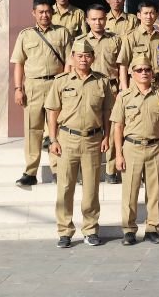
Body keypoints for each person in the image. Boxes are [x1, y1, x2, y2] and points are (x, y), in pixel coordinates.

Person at [45, 39, 113, 248]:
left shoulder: (102, 81)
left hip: (93, 140)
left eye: (87, 56)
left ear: (93, 58)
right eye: (80, 56)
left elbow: (107, 112)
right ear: (72, 58)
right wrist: (53, 139)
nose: (83, 59)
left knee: (91, 189)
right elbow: (52, 111)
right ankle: (64, 231)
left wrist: (107, 136)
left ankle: (90, 229)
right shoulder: (61, 81)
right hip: (67, 140)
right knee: (65, 187)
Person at [111, 55, 159, 246]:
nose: (144, 73)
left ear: (152, 73)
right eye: (139, 70)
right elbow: (118, 126)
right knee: (130, 192)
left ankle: (152, 228)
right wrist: (118, 154)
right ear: (132, 73)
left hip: (155, 147)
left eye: (147, 69)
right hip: (132, 147)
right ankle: (129, 230)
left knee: (154, 192)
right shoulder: (124, 96)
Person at [10, 0, 71, 187]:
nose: (45, 15)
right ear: (34, 13)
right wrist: (18, 88)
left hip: (56, 84)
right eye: (41, 12)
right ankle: (30, 172)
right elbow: (19, 64)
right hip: (33, 87)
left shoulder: (62, 33)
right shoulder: (25, 35)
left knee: (57, 129)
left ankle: (58, 170)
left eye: (48, 11)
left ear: (52, 13)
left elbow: (69, 61)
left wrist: (65, 84)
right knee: (32, 130)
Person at [71, 4, 123, 184]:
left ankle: (110, 170)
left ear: (106, 19)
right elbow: (72, 66)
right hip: (87, 87)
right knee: (87, 128)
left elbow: (122, 65)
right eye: (93, 19)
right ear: (87, 20)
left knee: (112, 128)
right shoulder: (80, 40)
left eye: (101, 19)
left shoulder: (116, 39)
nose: (97, 22)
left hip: (111, 88)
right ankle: (82, 172)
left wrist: (122, 89)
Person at [117, 1, 159, 90]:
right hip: (136, 86)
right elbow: (123, 65)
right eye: (146, 13)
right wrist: (125, 90)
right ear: (139, 15)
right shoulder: (131, 37)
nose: (149, 16)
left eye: (152, 13)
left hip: (158, 85)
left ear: (156, 15)